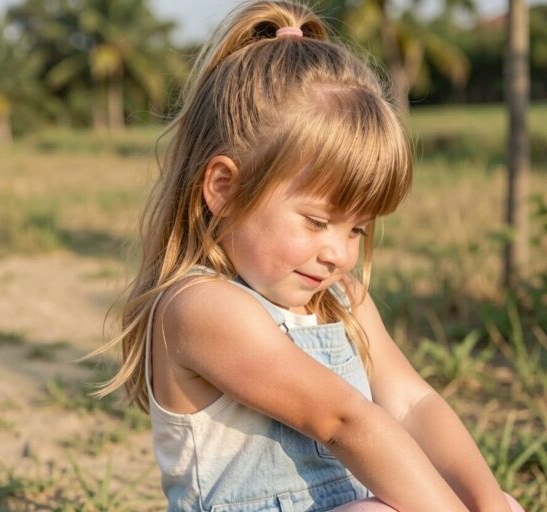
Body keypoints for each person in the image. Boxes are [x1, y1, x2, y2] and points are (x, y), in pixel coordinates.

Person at [91, 1, 526, 510]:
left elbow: (412, 403)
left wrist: (489, 503)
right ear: (224, 189)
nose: (338, 253)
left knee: (501, 500)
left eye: (358, 228)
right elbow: (343, 420)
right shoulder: (201, 307)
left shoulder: (340, 297)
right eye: (317, 222)